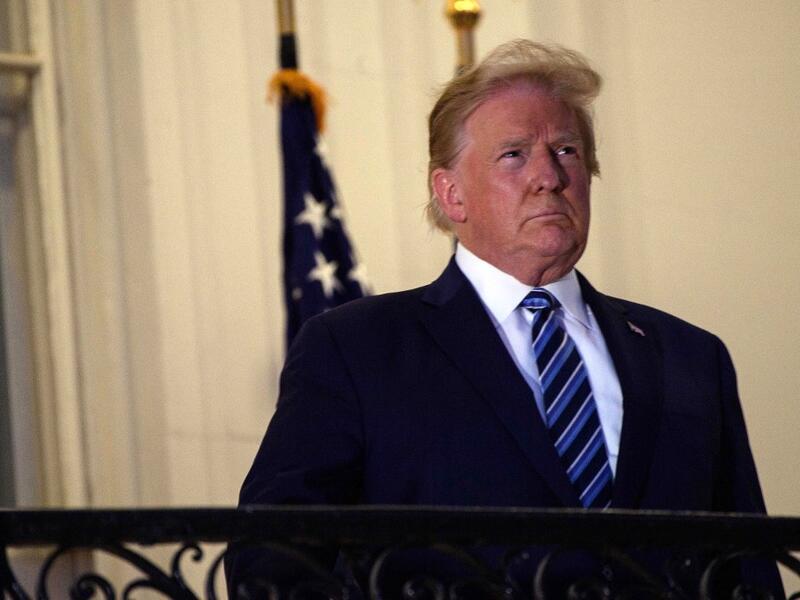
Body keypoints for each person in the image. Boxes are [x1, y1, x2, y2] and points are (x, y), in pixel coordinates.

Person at [230, 40, 782, 596]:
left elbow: (747, 567)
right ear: (451, 195)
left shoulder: (689, 355)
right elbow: (274, 556)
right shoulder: (356, 347)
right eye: (514, 154)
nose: (550, 177)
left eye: (567, 151)